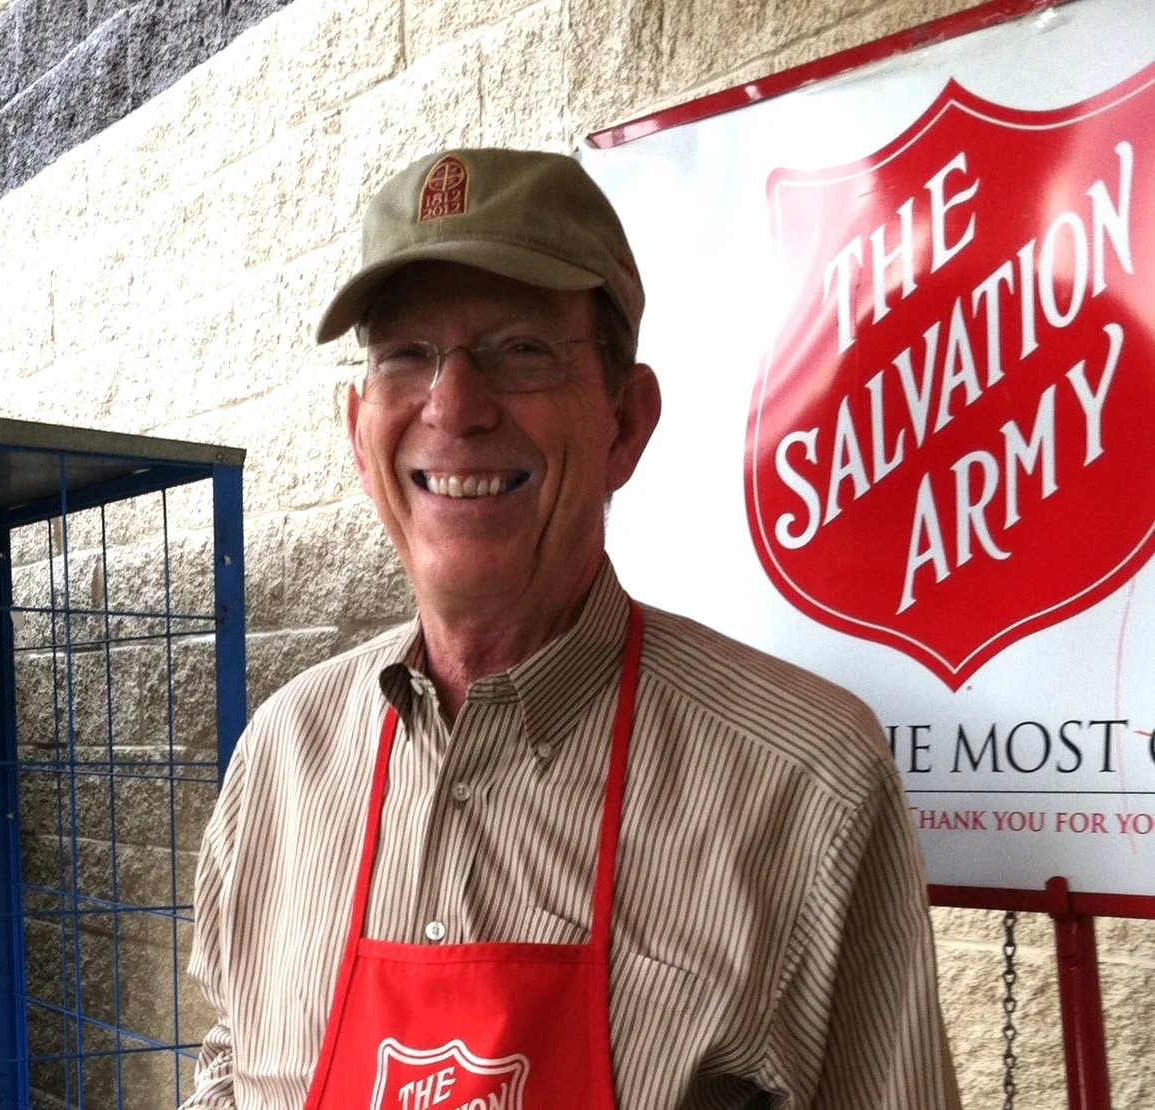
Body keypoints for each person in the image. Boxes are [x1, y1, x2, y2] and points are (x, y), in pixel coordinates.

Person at [182, 147, 960, 1109]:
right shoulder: (280, 762)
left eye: (522, 349)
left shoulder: (806, 784)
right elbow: (232, 1065)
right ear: (358, 430)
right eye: (405, 355)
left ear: (625, 423)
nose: (453, 406)